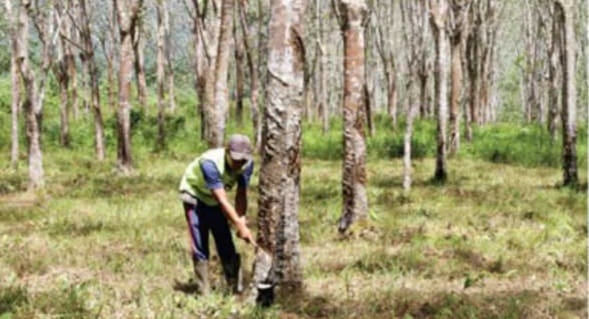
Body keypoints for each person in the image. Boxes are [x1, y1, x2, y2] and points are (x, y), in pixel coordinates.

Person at [178, 134, 256, 295]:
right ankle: (204, 291)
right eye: (236, 159)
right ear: (227, 151)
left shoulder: (247, 165)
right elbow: (221, 199)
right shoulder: (210, 163)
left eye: (243, 159)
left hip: (215, 200)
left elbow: (241, 193)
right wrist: (239, 225)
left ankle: (234, 288)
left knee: (225, 240)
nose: (239, 163)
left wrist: (241, 220)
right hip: (195, 195)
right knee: (200, 241)